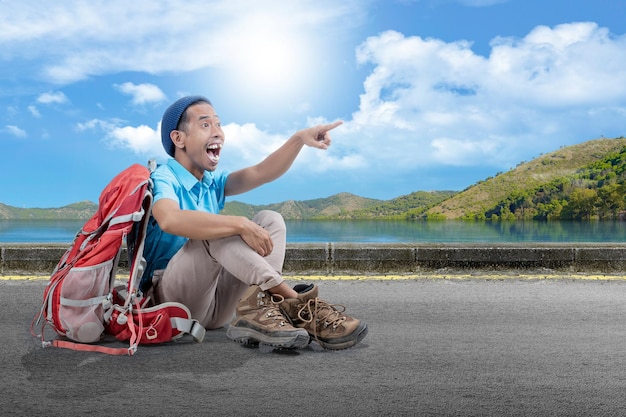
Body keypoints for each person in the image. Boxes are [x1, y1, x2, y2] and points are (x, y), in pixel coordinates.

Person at [140, 95, 368, 350]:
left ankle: (260, 309)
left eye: (219, 124)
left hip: (215, 304)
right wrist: (238, 224)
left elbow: (262, 172)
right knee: (214, 229)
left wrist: (298, 139)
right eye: (206, 125)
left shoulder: (212, 183)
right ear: (178, 139)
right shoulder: (164, 176)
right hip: (172, 303)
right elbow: (170, 219)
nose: (218, 133)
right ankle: (299, 306)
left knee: (270, 220)